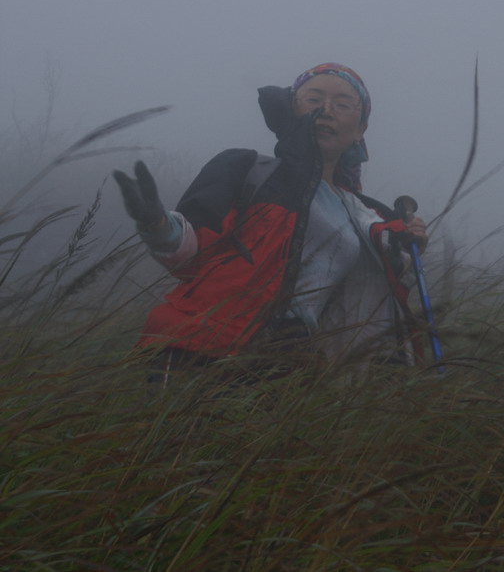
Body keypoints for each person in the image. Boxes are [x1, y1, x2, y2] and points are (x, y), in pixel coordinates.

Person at [114, 63, 429, 377]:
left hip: (289, 363)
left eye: (343, 105)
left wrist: (406, 245)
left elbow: (374, 299)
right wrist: (157, 225)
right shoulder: (248, 170)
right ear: (292, 109)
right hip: (199, 348)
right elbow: (191, 254)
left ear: (361, 129)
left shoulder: (364, 215)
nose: (326, 111)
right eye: (313, 99)